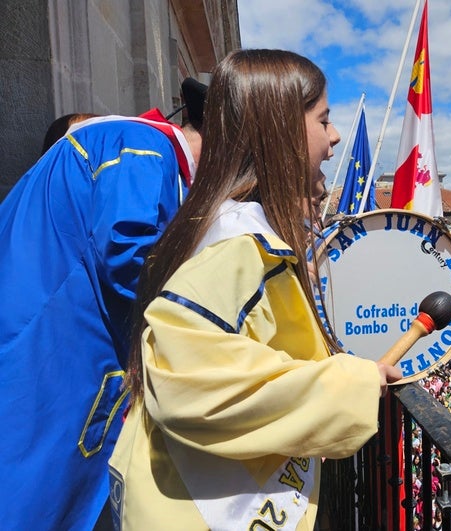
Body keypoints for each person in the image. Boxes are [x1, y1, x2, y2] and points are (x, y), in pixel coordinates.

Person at [108, 48, 402, 530]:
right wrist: (354, 384)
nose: (334, 136)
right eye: (323, 119)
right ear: (282, 128)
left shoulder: (216, 226)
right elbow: (185, 379)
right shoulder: (237, 244)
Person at [0, 78, 206, 530]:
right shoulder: (142, 144)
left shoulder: (140, 148)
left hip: (56, 365)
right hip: (43, 365)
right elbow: (127, 250)